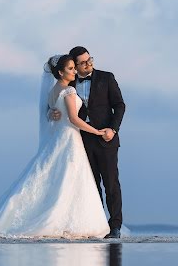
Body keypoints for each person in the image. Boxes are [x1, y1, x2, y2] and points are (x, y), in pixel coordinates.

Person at [0, 54, 110, 239]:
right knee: (68, 178)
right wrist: (97, 132)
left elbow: (51, 113)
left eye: (74, 68)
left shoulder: (53, 91)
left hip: (58, 139)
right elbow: (73, 119)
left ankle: (62, 219)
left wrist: (51, 114)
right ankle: (65, 221)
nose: (74, 71)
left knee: (57, 178)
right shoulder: (69, 92)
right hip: (69, 138)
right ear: (60, 72)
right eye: (71, 68)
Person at [49, 47, 125, 239]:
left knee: (111, 183)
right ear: (74, 65)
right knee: (90, 184)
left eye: (89, 59)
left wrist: (112, 129)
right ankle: (96, 225)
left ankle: (115, 226)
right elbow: (52, 103)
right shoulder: (69, 80)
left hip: (105, 137)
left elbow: (120, 105)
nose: (88, 63)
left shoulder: (107, 78)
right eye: (82, 62)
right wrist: (50, 112)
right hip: (80, 139)